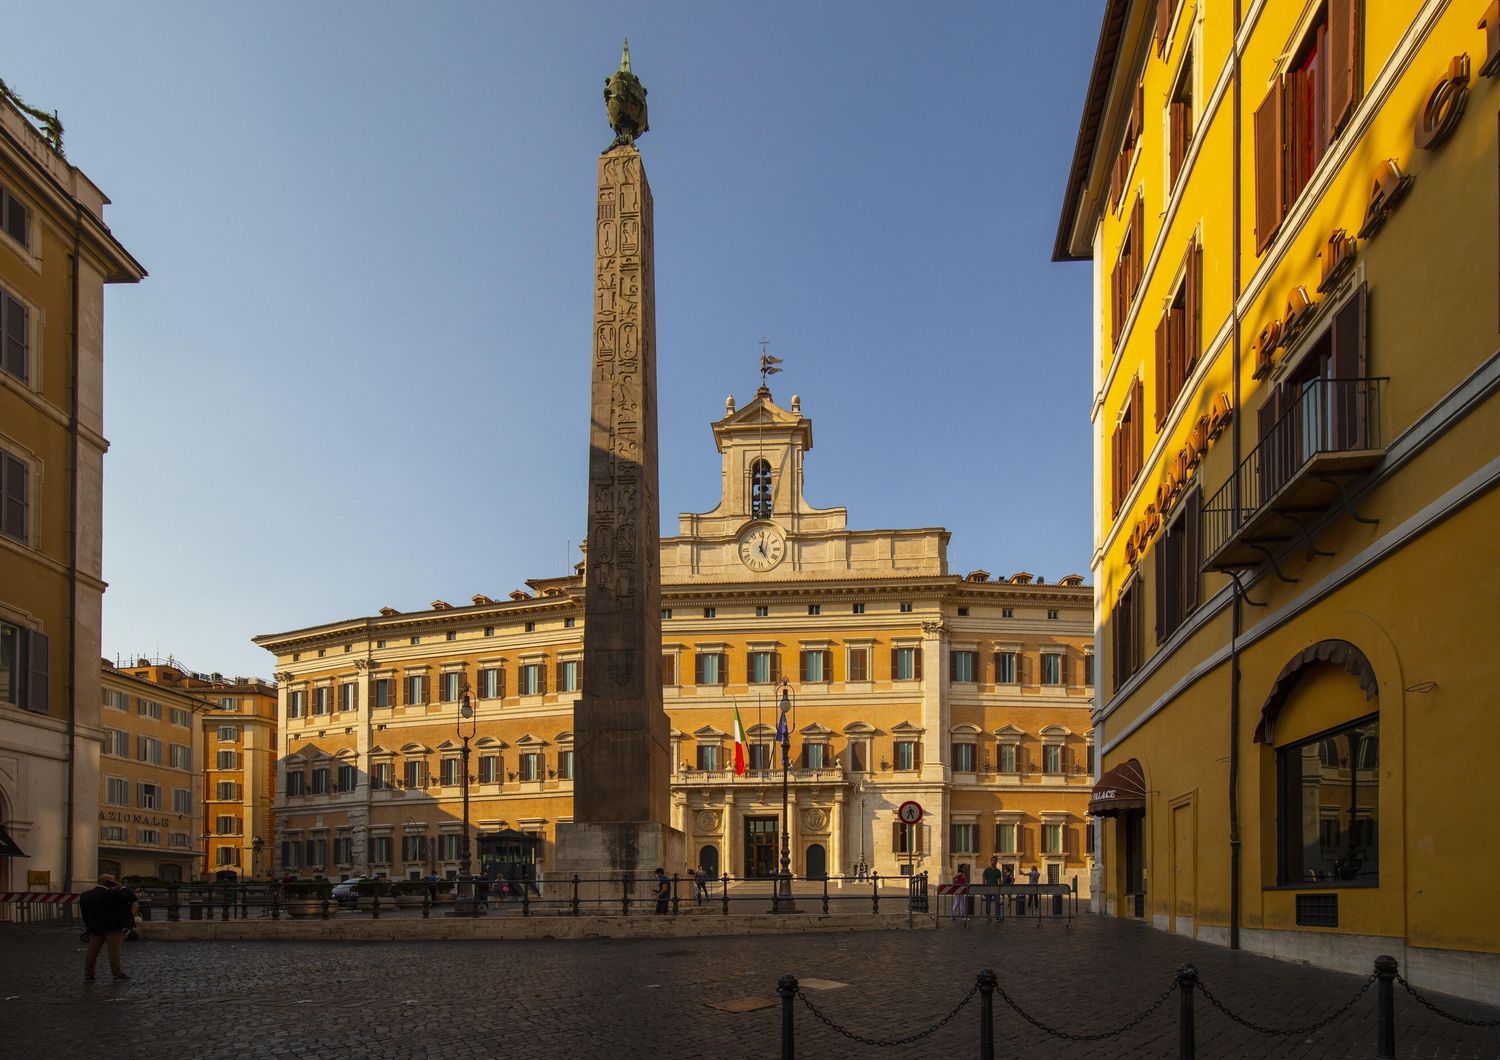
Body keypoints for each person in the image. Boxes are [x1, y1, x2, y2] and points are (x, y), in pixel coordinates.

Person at [80, 875, 132, 982]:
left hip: (95, 927)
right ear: (108, 882)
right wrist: (121, 887)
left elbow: (84, 913)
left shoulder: (86, 895)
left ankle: (88, 974)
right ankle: (117, 974)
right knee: (114, 951)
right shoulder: (113, 894)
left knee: (92, 951)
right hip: (113, 927)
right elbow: (131, 897)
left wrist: (89, 927)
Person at [981, 857, 1001, 921]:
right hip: (988, 888)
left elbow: (999, 881)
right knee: (988, 902)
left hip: (996, 888)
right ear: (991, 861)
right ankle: (988, 915)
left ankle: (997, 915)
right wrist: (983, 887)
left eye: (995, 860)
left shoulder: (998, 871)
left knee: (997, 902)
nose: (993, 862)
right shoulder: (987, 870)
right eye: (992, 860)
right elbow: (983, 878)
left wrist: (1000, 888)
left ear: (996, 861)